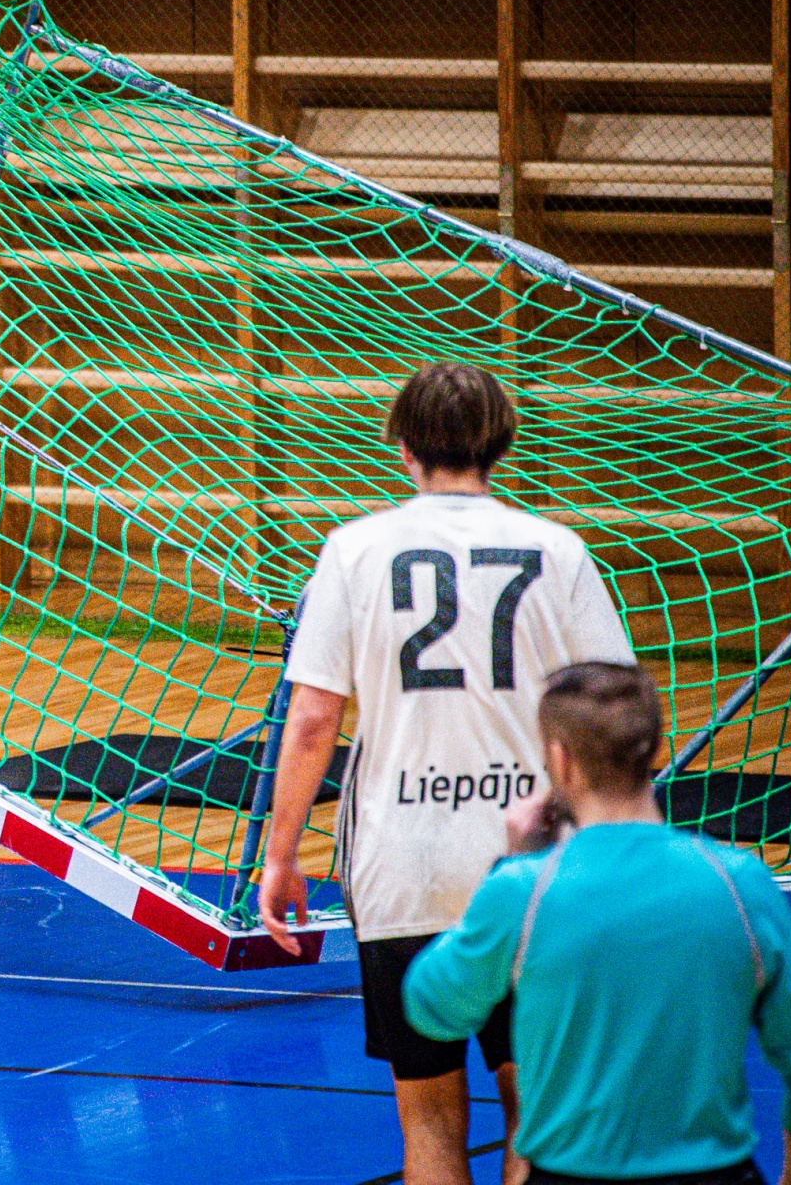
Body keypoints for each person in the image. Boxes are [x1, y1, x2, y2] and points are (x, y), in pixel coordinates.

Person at [258, 360, 636, 1185]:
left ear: (401, 445)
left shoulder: (353, 550)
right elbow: (616, 712)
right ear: (503, 442)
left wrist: (280, 854)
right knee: (536, 1106)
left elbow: (314, 719)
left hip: (404, 864)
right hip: (534, 863)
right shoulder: (559, 551)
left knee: (428, 1116)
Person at [402, 662, 791, 1185]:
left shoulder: (523, 891)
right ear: (653, 749)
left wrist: (510, 866)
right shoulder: (740, 882)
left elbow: (432, 1008)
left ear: (560, 760)